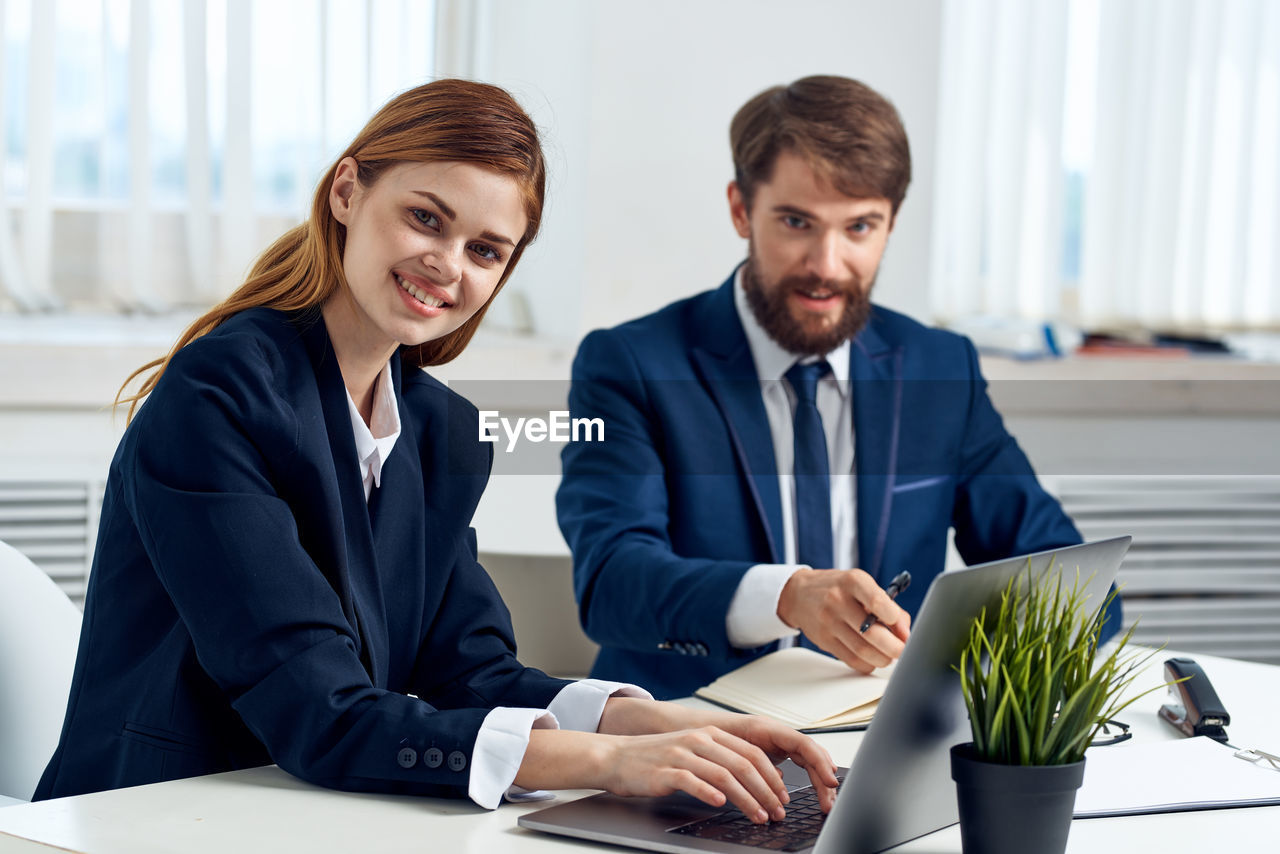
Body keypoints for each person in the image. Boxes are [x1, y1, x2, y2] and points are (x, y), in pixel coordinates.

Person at [34, 79, 840, 823]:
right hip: (154, 817)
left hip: (315, 812)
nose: (447, 265)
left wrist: (660, 722)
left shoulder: (436, 428)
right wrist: (611, 761)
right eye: (427, 218)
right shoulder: (221, 394)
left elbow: (471, 671)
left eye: (486, 250)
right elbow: (318, 709)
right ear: (347, 191)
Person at [556, 75, 1120, 701]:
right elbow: (611, 584)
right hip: (690, 743)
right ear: (741, 209)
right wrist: (788, 598)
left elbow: (1072, 583)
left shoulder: (939, 368)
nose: (827, 264)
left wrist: (947, 672)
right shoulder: (630, 364)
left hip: (880, 741)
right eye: (797, 222)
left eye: (859, 227)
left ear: (890, 224)